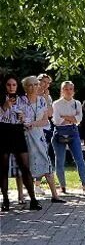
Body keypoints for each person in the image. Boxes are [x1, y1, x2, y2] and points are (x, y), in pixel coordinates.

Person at [20, 76, 64, 204]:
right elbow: (17, 118)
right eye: (31, 85)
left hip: (38, 135)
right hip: (24, 136)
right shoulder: (21, 101)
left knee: (46, 163)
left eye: (35, 84)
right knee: (25, 165)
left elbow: (46, 120)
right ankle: (25, 197)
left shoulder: (42, 101)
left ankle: (55, 195)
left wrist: (32, 123)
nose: (34, 87)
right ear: (25, 87)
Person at [1, 76, 40, 211]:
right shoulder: (1, 99)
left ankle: (33, 199)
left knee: (25, 166)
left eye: (14, 85)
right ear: (5, 86)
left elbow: (29, 118)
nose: (11, 87)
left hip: (18, 132)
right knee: (3, 168)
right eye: (8, 85)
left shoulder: (22, 100)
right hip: (4, 132)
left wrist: (24, 118)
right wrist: (5, 107)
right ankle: (5, 200)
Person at [51, 81, 85, 195]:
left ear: (73, 91)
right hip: (59, 133)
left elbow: (79, 119)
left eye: (70, 89)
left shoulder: (77, 103)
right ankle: (62, 186)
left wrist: (65, 117)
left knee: (79, 159)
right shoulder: (56, 104)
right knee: (60, 160)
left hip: (73, 131)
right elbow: (57, 121)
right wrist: (71, 118)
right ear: (62, 91)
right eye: (65, 89)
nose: (68, 91)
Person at [37, 73, 56, 169]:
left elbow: (50, 114)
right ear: (38, 81)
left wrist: (45, 99)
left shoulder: (48, 97)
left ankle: (39, 180)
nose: (45, 84)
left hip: (44, 128)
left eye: (48, 83)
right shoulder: (30, 94)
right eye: (44, 82)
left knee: (43, 154)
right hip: (32, 128)